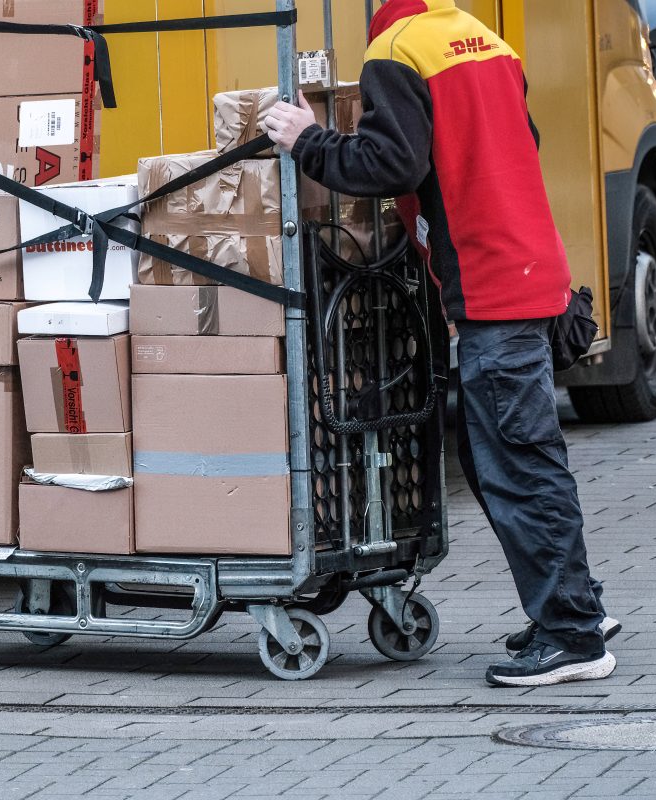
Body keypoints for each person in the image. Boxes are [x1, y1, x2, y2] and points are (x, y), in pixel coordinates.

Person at [262, 0, 621, 687]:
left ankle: (573, 636)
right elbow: (521, 142)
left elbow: (389, 164)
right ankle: (573, 609)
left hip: (494, 290)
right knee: (502, 465)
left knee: (517, 469)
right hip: (530, 270)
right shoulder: (482, 38)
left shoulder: (396, 50)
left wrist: (308, 138)